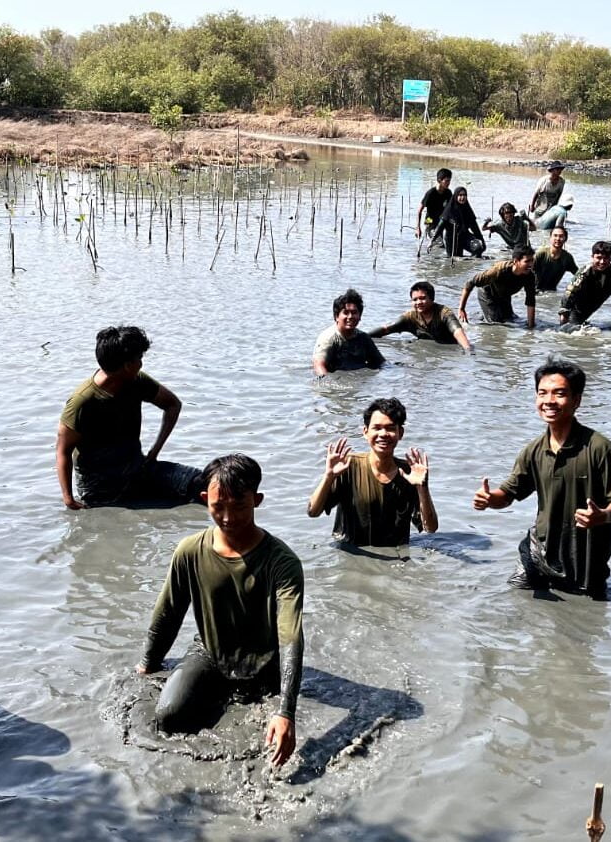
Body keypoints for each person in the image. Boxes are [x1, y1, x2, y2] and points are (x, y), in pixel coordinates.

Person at [137, 454, 304, 768]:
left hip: (265, 664)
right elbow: (168, 611)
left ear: (257, 500)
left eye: (239, 506)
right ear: (205, 500)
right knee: (167, 718)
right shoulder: (189, 550)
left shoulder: (283, 562)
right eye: (218, 506)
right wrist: (148, 664)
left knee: (261, 752)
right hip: (210, 652)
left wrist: (286, 712)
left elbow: (291, 635)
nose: (228, 517)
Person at [472, 359, 611, 597]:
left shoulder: (600, 448)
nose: (548, 401)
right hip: (539, 552)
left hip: (585, 561)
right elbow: (508, 495)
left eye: (559, 394)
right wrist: (489, 499)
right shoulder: (533, 450)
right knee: (517, 601)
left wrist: (602, 516)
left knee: (587, 622)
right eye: (542, 393)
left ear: (576, 400)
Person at [58, 326, 203, 509]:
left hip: (139, 471)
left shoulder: (137, 381)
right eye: (139, 358)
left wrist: (154, 451)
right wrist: (68, 498)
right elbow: (63, 450)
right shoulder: (82, 402)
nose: (141, 364)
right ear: (127, 365)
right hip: (101, 490)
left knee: (204, 485)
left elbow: (173, 404)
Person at [307, 397, 438, 546]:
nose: (383, 434)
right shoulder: (348, 466)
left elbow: (430, 528)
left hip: (395, 559)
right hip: (352, 556)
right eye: (377, 428)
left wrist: (422, 488)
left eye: (390, 428)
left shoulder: (409, 473)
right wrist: (329, 476)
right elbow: (313, 512)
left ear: (400, 433)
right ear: (365, 432)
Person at [368, 281, 472, 350]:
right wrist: (363, 337)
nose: (418, 302)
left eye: (422, 298)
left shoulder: (444, 313)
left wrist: (468, 351)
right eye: (415, 300)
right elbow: (385, 329)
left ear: (431, 298)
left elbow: (458, 332)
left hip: (449, 348)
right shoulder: (409, 317)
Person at [458, 246, 538, 328]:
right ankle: (476, 319)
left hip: (504, 294)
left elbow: (530, 302)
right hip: (488, 293)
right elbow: (470, 282)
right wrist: (462, 309)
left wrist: (530, 327)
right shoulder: (499, 270)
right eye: (527, 261)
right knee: (496, 324)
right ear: (516, 261)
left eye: (532, 260)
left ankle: (482, 315)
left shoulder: (529, 276)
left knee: (510, 319)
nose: (531, 265)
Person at [313, 288, 386, 375]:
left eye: (354, 312)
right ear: (336, 316)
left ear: (360, 316)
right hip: (337, 380)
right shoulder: (329, 338)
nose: (350, 316)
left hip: (358, 379)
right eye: (346, 312)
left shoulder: (364, 339)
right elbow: (319, 365)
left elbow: (381, 363)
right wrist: (326, 383)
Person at [560, 241, 611, 330]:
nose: (602, 262)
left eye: (606, 258)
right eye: (598, 258)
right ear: (592, 257)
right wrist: (563, 319)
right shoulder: (585, 272)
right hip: (575, 312)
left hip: (590, 310)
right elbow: (569, 293)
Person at [437, 186, 485, 258]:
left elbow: (475, 228)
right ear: (456, 196)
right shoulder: (449, 210)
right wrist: (432, 241)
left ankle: (473, 262)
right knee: (454, 258)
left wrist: (482, 241)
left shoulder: (468, 209)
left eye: (464, 195)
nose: (462, 197)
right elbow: (440, 227)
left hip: (464, 236)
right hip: (451, 239)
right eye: (460, 195)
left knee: (478, 247)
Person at [528, 162, 574, 231]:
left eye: (560, 169)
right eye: (557, 169)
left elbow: (559, 195)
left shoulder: (561, 181)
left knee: (549, 227)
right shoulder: (544, 180)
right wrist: (532, 206)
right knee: (536, 226)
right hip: (540, 207)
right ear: (552, 170)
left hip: (551, 207)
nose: (559, 171)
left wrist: (555, 207)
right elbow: (536, 194)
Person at [532, 226, 579, 292]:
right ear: (550, 238)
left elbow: (578, 275)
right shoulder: (541, 254)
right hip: (535, 290)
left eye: (561, 236)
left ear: (565, 239)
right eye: (555, 235)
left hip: (551, 291)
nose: (558, 238)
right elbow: (527, 271)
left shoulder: (567, 258)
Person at [416, 168, 453, 243]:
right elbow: (419, 211)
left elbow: (451, 209)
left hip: (442, 221)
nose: (448, 183)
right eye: (446, 181)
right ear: (439, 180)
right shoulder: (430, 193)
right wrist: (418, 228)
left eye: (449, 181)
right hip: (430, 221)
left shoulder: (448, 193)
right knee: (438, 240)